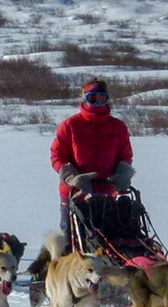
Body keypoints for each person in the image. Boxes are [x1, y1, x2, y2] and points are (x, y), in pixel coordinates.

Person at [49, 79, 133, 233]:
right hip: (75, 193)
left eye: (102, 99)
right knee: (71, 240)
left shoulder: (118, 127)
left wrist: (123, 174)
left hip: (107, 194)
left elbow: (125, 156)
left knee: (109, 240)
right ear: (85, 98)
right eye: (93, 99)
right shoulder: (70, 125)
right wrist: (71, 178)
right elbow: (57, 155)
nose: (98, 104)